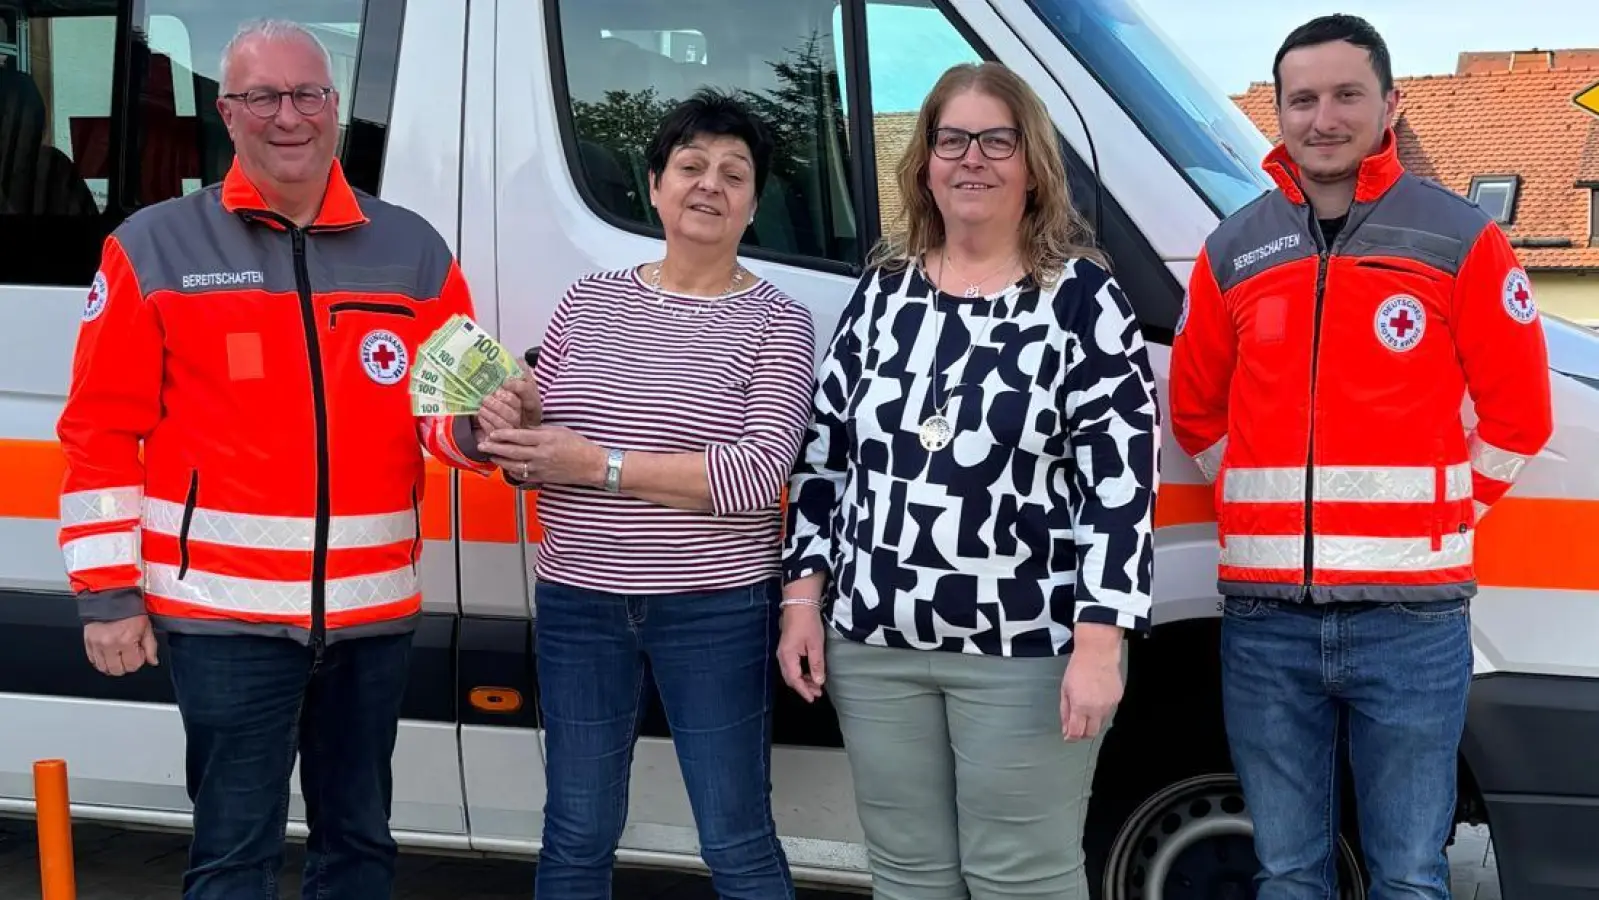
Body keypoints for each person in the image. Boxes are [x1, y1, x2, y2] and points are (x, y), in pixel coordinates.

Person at [53, 18, 513, 899]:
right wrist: (107, 597)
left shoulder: (412, 249)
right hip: (222, 618)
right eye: (263, 97)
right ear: (227, 113)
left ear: (336, 108)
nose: (288, 116)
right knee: (233, 855)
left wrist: (494, 429)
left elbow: (443, 417)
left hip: (371, 615)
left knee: (360, 847)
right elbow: (100, 432)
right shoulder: (153, 248)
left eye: (307, 94)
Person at [1169, 14, 1553, 900]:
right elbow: (1193, 408)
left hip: (1411, 625)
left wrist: (1443, 517)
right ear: (1279, 112)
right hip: (1266, 621)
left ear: (1389, 104)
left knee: (1410, 878)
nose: (1323, 117)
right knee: (1287, 874)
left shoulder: (1459, 238)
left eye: (1346, 94)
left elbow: (1519, 415)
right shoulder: (1233, 249)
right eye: (1301, 99)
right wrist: (1254, 511)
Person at [776, 62, 1158, 900]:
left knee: (1019, 877)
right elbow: (823, 459)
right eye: (952, 140)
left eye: (997, 139)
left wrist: (1100, 643)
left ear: (1032, 164)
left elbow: (1121, 482)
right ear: (924, 163)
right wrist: (801, 602)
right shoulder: (881, 294)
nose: (971, 159)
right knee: (906, 876)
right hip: (873, 643)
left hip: (1026, 647)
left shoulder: (1082, 300)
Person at [473, 88, 815, 900]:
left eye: (733, 173)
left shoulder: (780, 321)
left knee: (735, 836)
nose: (710, 184)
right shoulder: (588, 301)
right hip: (578, 601)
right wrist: (512, 420)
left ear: (753, 203)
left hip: (715, 605)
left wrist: (597, 466)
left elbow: (757, 473)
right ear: (655, 184)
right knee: (575, 834)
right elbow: (535, 453)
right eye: (690, 165)